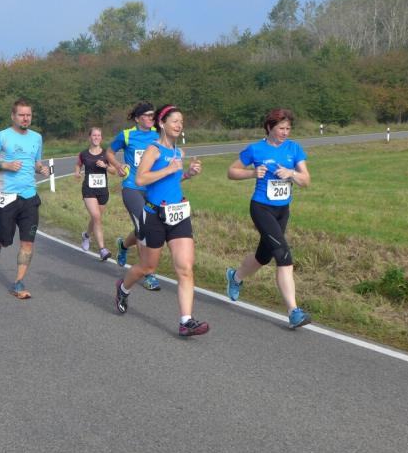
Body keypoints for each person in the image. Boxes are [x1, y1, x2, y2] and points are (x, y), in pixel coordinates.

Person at [113, 105, 209, 337]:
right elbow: (141, 179)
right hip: (155, 214)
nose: (179, 125)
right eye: (175, 121)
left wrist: (188, 174)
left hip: (178, 212)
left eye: (181, 121)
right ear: (162, 124)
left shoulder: (178, 152)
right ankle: (123, 288)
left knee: (185, 268)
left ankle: (186, 321)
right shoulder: (153, 150)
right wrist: (168, 169)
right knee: (148, 267)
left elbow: (171, 181)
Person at [225, 108, 312, 328]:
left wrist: (292, 173)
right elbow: (231, 171)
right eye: (281, 128)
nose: (285, 132)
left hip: (282, 210)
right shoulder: (256, 149)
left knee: (263, 257)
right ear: (269, 127)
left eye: (288, 128)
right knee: (283, 255)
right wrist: (252, 173)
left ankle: (235, 277)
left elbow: (306, 180)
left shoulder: (294, 148)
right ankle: (293, 312)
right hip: (261, 208)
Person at [0, 99, 50, 299]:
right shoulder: (2, 136)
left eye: (28, 115)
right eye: (21, 115)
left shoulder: (37, 137)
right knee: (6, 239)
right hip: (6, 197)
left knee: (27, 243)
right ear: (13, 116)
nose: (25, 118)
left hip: (29, 197)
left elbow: (36, 162)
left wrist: (41, 168)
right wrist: (5, 165)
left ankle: (18, 283)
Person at [105, 102, 162, 291]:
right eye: (147, 115)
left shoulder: (158, 134)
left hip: (152, 188)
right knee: (144, 225)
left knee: (143, 226)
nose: (151, 118)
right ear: (137, 118)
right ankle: (149, 273)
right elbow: (109, 152)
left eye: (153, 115)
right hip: (132, 187)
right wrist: (118, 166)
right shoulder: (127, 135)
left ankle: (123, 245)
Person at [75, 127, 117, 261]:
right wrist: (77, 172)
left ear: (101, 138)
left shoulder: (106, 154)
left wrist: (105, 166)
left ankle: (87, 235)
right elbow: (78, 164)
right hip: (89, 189)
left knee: (95, 218)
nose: (96, 137)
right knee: (97, 217)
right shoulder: (83, 154)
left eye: (99, 135)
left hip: (103, 191)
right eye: (94, 135)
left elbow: (113, 171)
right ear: (90, 137)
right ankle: (102, 249)